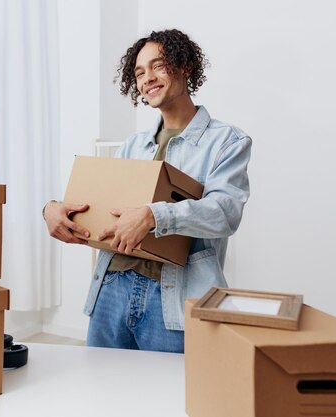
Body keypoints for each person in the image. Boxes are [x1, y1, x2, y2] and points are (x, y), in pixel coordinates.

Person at [43, 29, 251, 353]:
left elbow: (225, 213)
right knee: (102, 390)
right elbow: (98, 201)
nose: (147, 78)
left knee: (165, 397)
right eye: (139, 73)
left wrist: (153, 215)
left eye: (158, 66)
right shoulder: (133, 144)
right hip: (111, 286)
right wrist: (52, 207)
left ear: (184, 66)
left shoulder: (227, 142)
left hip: (173, 294)